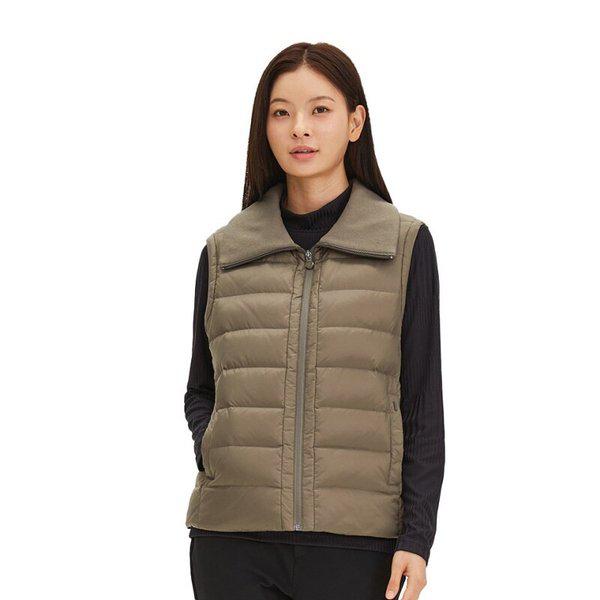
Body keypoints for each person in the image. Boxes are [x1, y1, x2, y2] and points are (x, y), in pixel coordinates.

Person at [183, 41, 445, 600]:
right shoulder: (225, 251)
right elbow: (201, 390)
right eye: (281, 112)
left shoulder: (403, 245)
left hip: (359, 547)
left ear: (355, 123)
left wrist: (417, 538)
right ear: (265, 128)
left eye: (319, 109)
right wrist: (219, 453)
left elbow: (422, 405)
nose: (299, 127)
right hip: (230, 543)